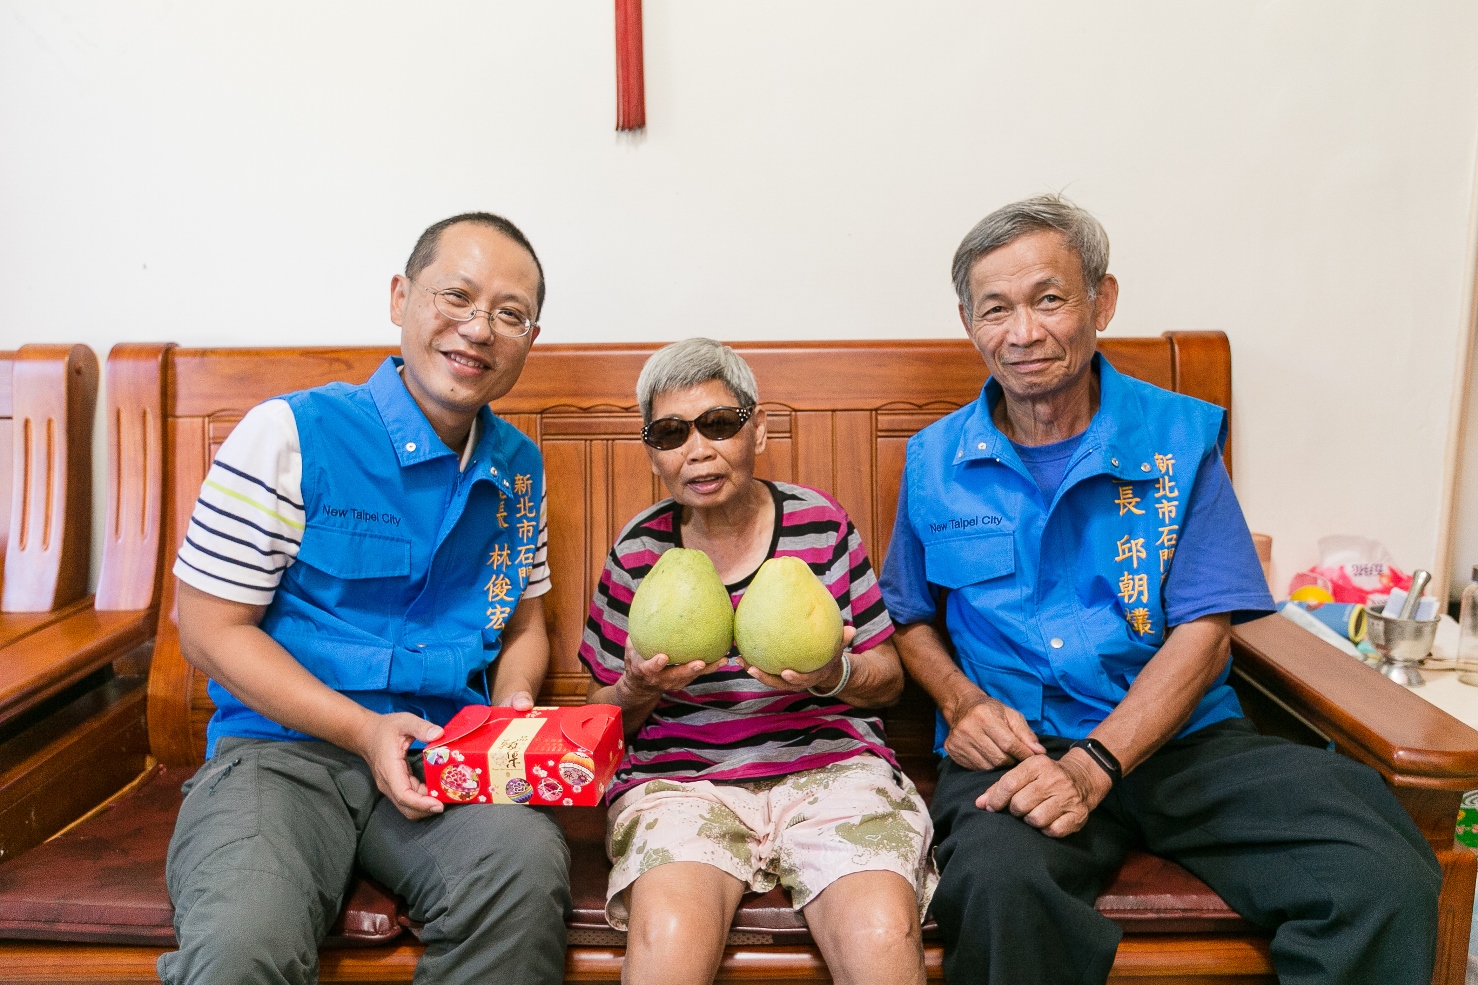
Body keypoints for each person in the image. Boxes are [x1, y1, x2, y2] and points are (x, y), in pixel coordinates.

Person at [879, 195, 1441, 985]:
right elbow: (908, 616)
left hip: (1181, 743)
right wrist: (962, 703)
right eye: (995, 309)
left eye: (1049, 299)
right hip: (1017, 750)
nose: (1023, 332)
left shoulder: (1178, 437)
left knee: (1376, 870)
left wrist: (1097, 764)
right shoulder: (934, 460)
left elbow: (1207, 632)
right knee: (1003, 887)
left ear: (1101, 301)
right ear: (970, 323)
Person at [159, 213, 571, 985]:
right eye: (457, 296)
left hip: (442, 760)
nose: (479, 329)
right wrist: (361, 728)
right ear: (400, 297)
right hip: (279, 754)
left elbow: (524, 624)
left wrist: (513, 703)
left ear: (529, 339)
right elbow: (210, 631)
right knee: (242, 941)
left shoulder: (521, 470)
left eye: (508, 314)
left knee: (522, 867)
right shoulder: (288, 432)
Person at [578, 338, 935, 985]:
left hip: (833, 769)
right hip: (683, 782)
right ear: (652, 450)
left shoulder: (820, 526)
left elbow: (887, 679)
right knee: (668, 940)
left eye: (719, 423)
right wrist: (635, 684)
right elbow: (597, 720)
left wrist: (835, 673)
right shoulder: (637, 552)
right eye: (670, 432)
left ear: (758, 427)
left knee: (882, 936)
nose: (698, 448)